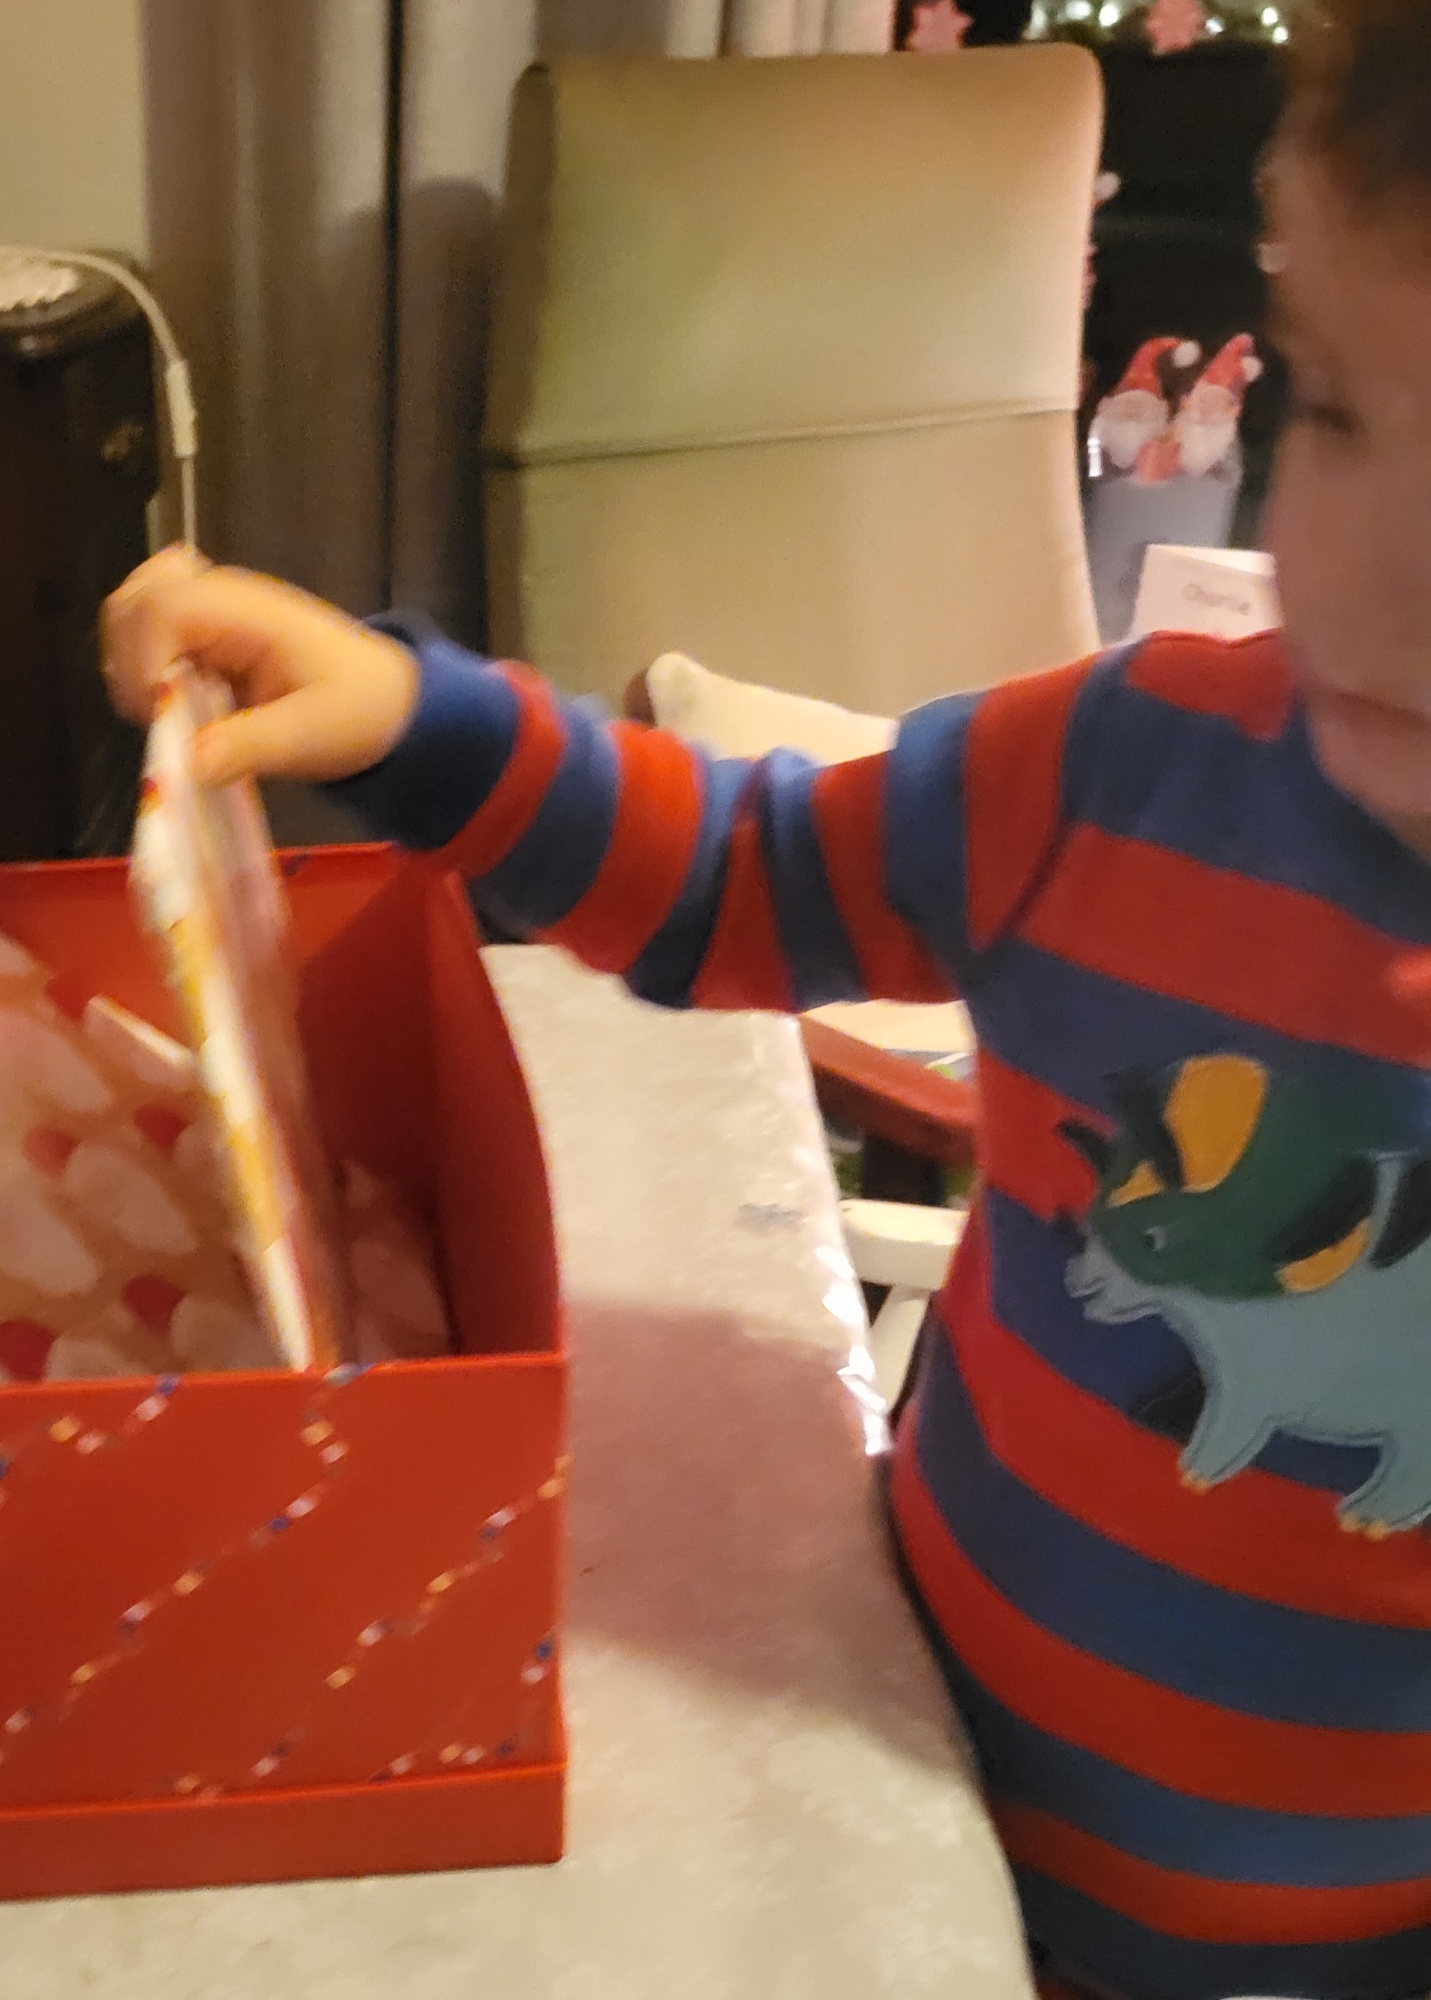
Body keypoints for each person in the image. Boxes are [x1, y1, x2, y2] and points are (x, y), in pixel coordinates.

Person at [100, 6, 1431, 1993]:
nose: (1363, 563)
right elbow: (744, 872)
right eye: (1333, 407)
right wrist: (419, 725)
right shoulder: (1121, 765)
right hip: (897, 1810)